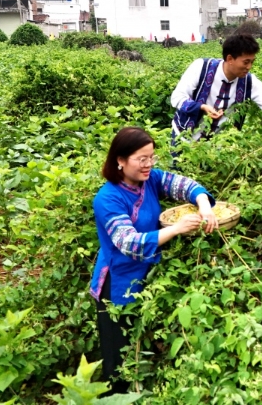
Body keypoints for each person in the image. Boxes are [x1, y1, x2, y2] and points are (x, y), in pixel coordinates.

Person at [90, 127, 218, 394]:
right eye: (141, 159)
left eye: (152, 157)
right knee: (118, 360)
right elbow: (128, 242)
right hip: (117, 282)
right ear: (120, 160)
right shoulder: (107, 198)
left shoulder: (150, 180)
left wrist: (204, 206)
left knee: (142, 350)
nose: (148, 165)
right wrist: (175, 229)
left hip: (147, 274)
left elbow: (186, 186)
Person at [170, 34, 262, 142]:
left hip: (218, 146)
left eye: (252, 62)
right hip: (184, 139)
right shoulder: (201, 67)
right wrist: (201, 107)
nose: (249, 67)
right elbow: (177, 98)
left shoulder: (249, 82)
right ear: (230, 59)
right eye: (246, 62)